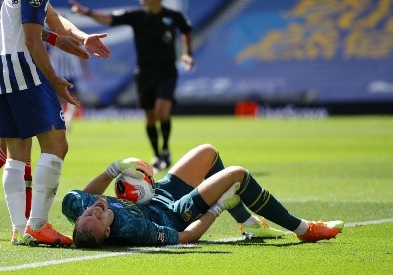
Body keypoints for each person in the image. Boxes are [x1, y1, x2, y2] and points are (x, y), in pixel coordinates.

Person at [0, 0, 110, 245]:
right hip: (21, 67)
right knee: (56, 143)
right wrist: (55, 79)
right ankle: (36, 224)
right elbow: (32, 38)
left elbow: (44, 17)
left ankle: (20, 228)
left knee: (16, 152)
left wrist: (79, 36)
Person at [62, 144, 344, 247]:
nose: (95, 209)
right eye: (99, 216)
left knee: (208, 153)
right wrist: (217, 207)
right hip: (174, 212)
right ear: (109, 230)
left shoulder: (78, 208)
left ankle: (247, 223)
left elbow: (82, 196)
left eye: (89, 213)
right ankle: (304, 229)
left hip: (157, 192)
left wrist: (113, 170)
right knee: (237, 174)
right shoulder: (135, 230)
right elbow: (186, 238)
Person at [71, 0, 196, 171]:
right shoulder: (137, 16)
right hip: (145, 73)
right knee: (151, 116)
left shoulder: (173, 16)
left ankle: (165, 149)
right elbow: (109, 19)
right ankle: (157, 154)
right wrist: (87, 13)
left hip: (166, 71)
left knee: (162, 111)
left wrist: (187, 53)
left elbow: (186, 30)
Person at [48, 44, 89, 132]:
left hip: (58, 73)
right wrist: (85, 69)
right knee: (73, 97)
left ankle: (64, 116)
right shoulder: (73, 37)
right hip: (69, 72)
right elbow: (82, 54)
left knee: (62, 97)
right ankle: (68, 116)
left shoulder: (52, 37)